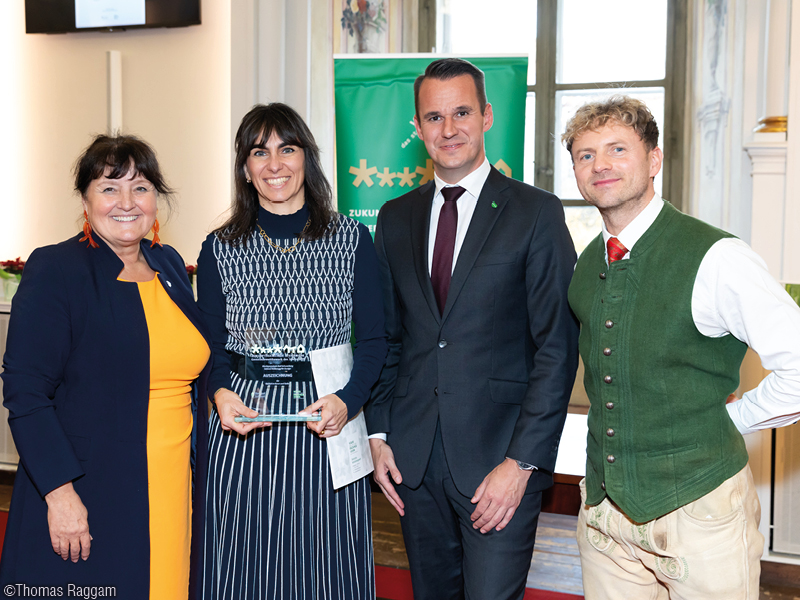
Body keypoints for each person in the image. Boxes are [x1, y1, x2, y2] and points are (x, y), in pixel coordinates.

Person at [563, 95, 800, 599]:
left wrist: (731, 420)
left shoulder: (717, 256)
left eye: (617, 149)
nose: (600, 164)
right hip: (605, 518)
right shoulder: (587, 263)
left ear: (654, 160)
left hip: (700, 514)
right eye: (585, 155)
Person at [365, 58, 580, 600]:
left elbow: (556, 348)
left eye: (461, 112)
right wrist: (378, 434)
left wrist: (522, 462)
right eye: (433, 117)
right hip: (413, 463)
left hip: (499, 463)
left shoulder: (535, 212)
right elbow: (390, 339)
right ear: (417, 127)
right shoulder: (394, 217)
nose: (448, 129)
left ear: (486, 116)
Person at [0, 135, 211, 599]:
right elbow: (25, 392)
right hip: (91, 487)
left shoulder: (168, 264)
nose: (127, 202)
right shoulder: (57, 268)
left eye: (141, 187)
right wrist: (60, 493)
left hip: (173, 480)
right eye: (109, 188)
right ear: (85, 199)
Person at [198, 102, 387, 600]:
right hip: (243, 423)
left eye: (288, 149)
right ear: (245, 167)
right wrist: (220, 393)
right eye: (259, 152)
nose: (275, 164)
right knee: (242, 563)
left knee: (325, 565)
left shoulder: (350, 238)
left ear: (307, 158)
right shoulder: (219, 247)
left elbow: (374, 339)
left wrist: (348, 400)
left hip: (328, 417)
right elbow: (210, 345)